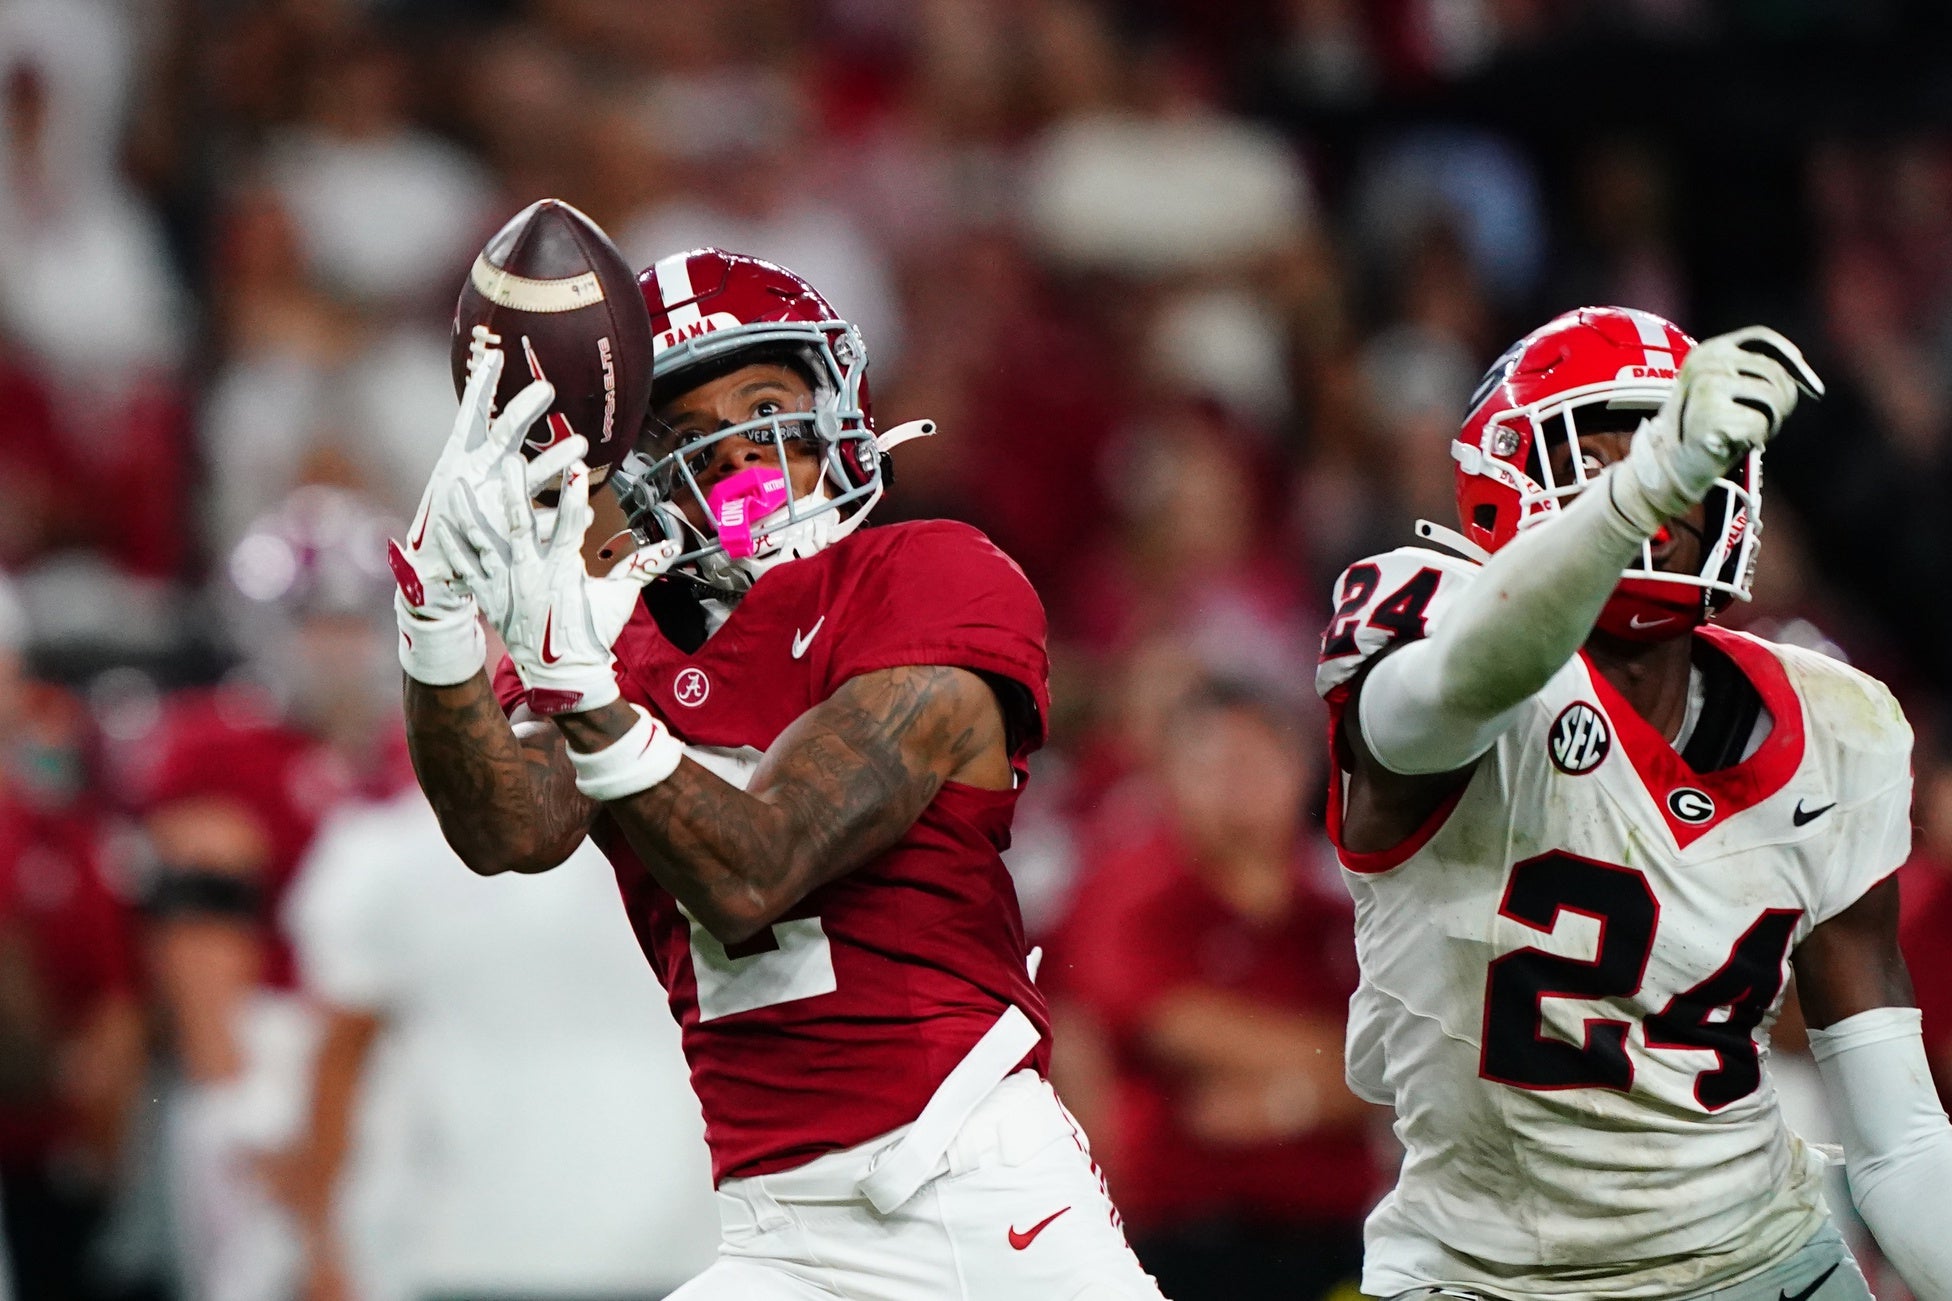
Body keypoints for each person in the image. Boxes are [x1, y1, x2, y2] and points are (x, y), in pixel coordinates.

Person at [387, 249, 1163, 1301]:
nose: (742, 450)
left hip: (979, 1202)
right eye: (690, 432)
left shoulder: (930, 573)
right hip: (776, 1230)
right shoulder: (609, 629)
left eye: (765, 406)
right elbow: (506, 831)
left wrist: (585, 693)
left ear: (836, 405)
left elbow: (760, 866)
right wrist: (436, 627)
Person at [1315, 306, 1952, 1300]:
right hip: (1488, 1276)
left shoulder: (1838, 722)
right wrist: (1644, 479)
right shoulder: (1433, 628)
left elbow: (1898, 1139)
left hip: (1763, 1259)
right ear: (1501, 477)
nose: (1668, 482)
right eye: (1596, 452)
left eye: (1687, 447)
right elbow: (1461, 682)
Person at [274, 789, 718, 1301]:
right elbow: (339, 1061)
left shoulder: (383, 851)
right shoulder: (710, 839)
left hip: (480, 1244)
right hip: (672, 1244)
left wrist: (319, 1244)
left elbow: (337, 1063)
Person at [1055, 679, 1379, 1301]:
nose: (1236, 786)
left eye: (1255, 763)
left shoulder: (1347, 908)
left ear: (1302, 770)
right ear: (1169, 780)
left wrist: (1286, 1102)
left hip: (1336, 1235)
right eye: (1213, 766)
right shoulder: (1130, 894)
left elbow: (1398, 1064)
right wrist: (1337, 1070)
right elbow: (1173, 1023)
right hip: (1171, 1240)